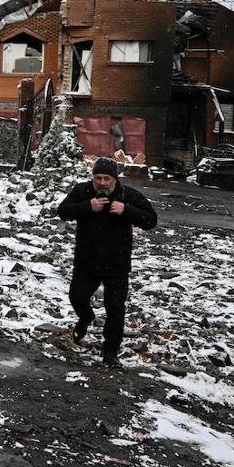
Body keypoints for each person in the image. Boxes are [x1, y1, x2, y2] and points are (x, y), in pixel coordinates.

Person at [56, 157, 158, 368]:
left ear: (114, 179)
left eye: (107, 178)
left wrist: (127, 210)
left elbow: (151, 220)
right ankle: (86, 318)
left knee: (115, 309)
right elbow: (63, 211)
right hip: (87, 261)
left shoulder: (128, 196)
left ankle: (110, 352)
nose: (102, 182)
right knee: (77, 297)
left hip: (116, 264)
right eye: (98, 178)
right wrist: (86, 207)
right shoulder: (83, 191)